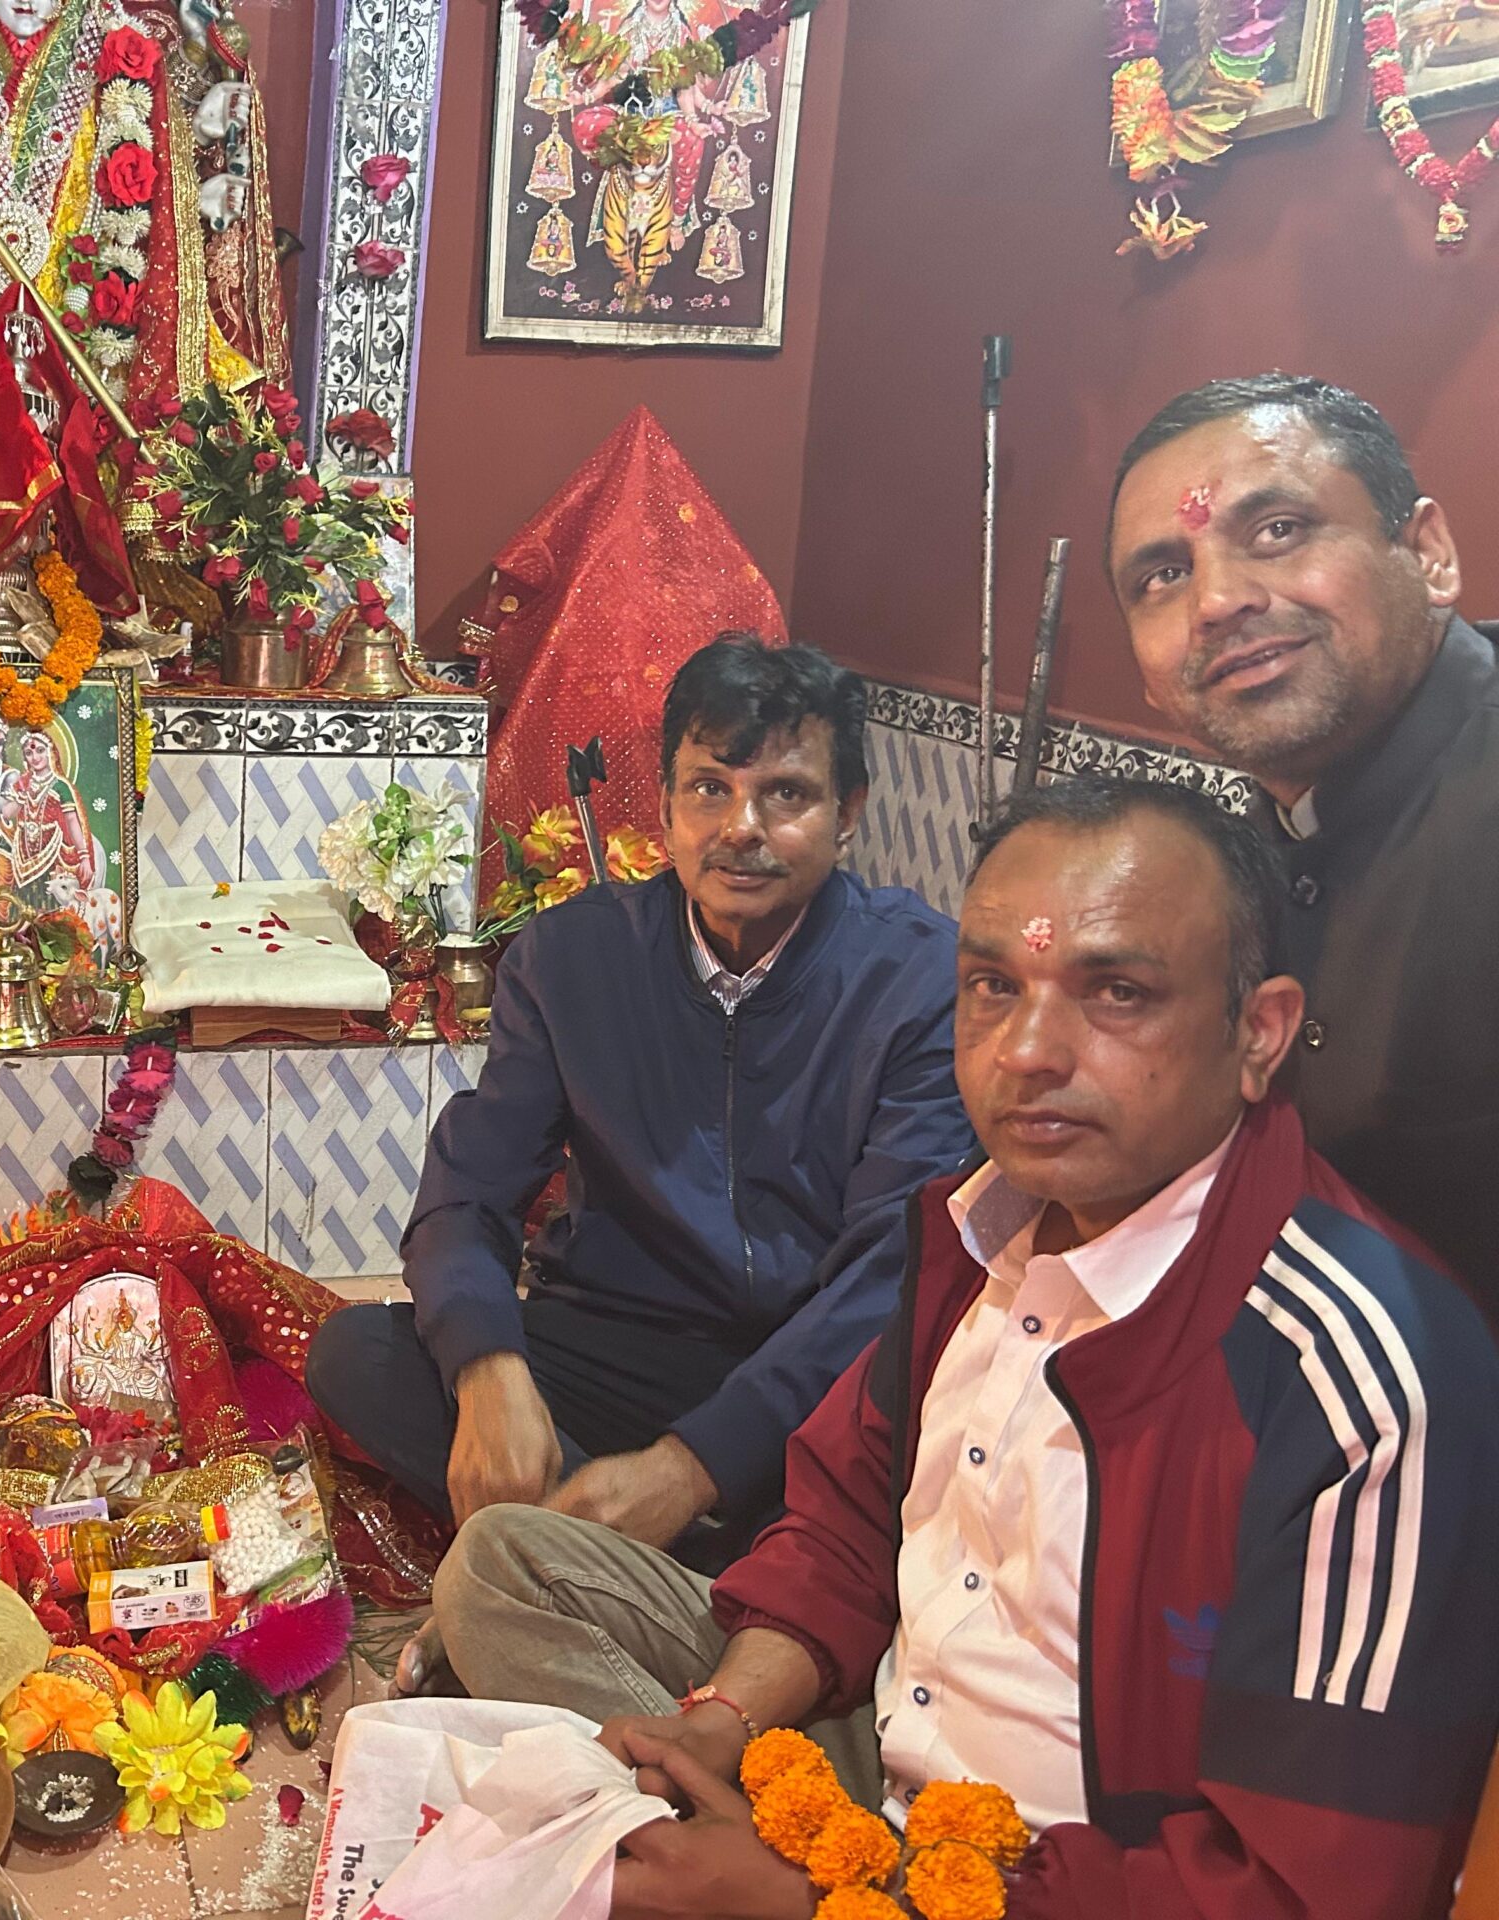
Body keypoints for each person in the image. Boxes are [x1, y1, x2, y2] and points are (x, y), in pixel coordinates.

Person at [430, 777, 1499, 1920]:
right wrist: (725, 1720)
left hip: (1070, 1871)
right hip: (884, 1740)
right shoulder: (978, 1226)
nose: (1026, 1051)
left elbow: (1301, 1894)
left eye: (1116, 993)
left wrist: (824, 1899)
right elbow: (846, 1522)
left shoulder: (1357, 1372)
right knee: (502, 1566)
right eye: (994, 985)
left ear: (1259, 1034)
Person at [308, 638, 976, 1577]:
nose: (741, 827)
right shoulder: (573, 958)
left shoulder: (921, 982)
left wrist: (693, 1467)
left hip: (812, 1364)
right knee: (359, 1354)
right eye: (709, 789)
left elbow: (890, 1275)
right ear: (664, 806)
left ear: (849, 814)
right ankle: (699, 1568)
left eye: (786, 794)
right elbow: (466, 1193)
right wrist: (489, 1369)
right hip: (616, 1347)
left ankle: (607, 1561)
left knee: (936, 1442)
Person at [1106, 374, 1496, 1283]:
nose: (1215, 602)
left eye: (1278, 531)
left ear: (1428, 554)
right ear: (1147, 676)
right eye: (1164, 576)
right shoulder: (1231, 865)